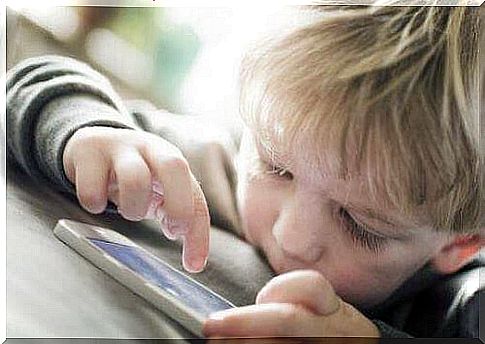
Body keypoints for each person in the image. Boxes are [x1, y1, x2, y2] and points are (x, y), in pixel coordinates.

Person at [6, 4, 484, 339]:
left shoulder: (464, 306)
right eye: (275, 167)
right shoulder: (207, 164)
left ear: (457, 243)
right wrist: (87, 131)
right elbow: (34, 83)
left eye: (360, 224)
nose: (290, 233)